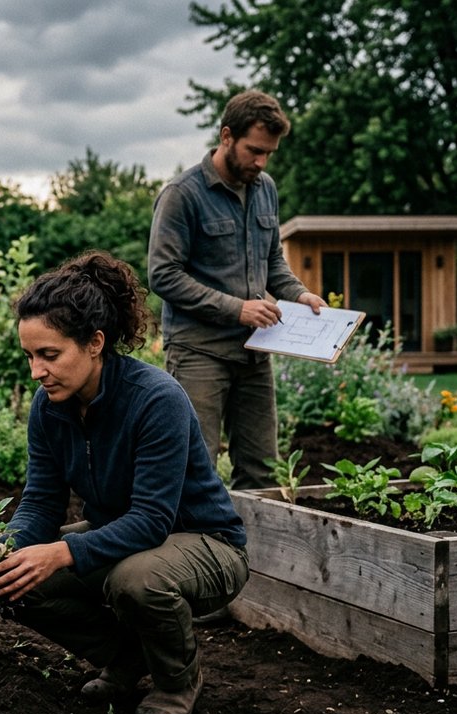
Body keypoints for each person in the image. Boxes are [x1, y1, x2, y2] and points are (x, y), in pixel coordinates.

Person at [0, 250, 250, 714]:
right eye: (29, 356)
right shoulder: (49, 408)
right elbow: (41, 501)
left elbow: (151, 520)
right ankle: (127, 658)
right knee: (10, 581)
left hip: (206, 543)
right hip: (122, 537)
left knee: (136, 580)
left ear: (95, 343)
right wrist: (4, 550)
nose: (36, 372)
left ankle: (177, 679)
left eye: (50, 355)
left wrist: (62, 553)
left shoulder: (154, 399)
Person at [147, 89, 325, 490]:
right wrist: (237, 309)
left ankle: (255, 553)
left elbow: (272, 261)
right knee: (195, 467)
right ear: (227, 136)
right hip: (199, 352)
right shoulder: (182, 195)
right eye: (254, 150)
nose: (261, 162)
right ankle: (194, 552)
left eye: (269, 154)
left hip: (255, 352)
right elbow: (163, 275)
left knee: (263, 471)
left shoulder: (265, 189)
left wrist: (299, 294)